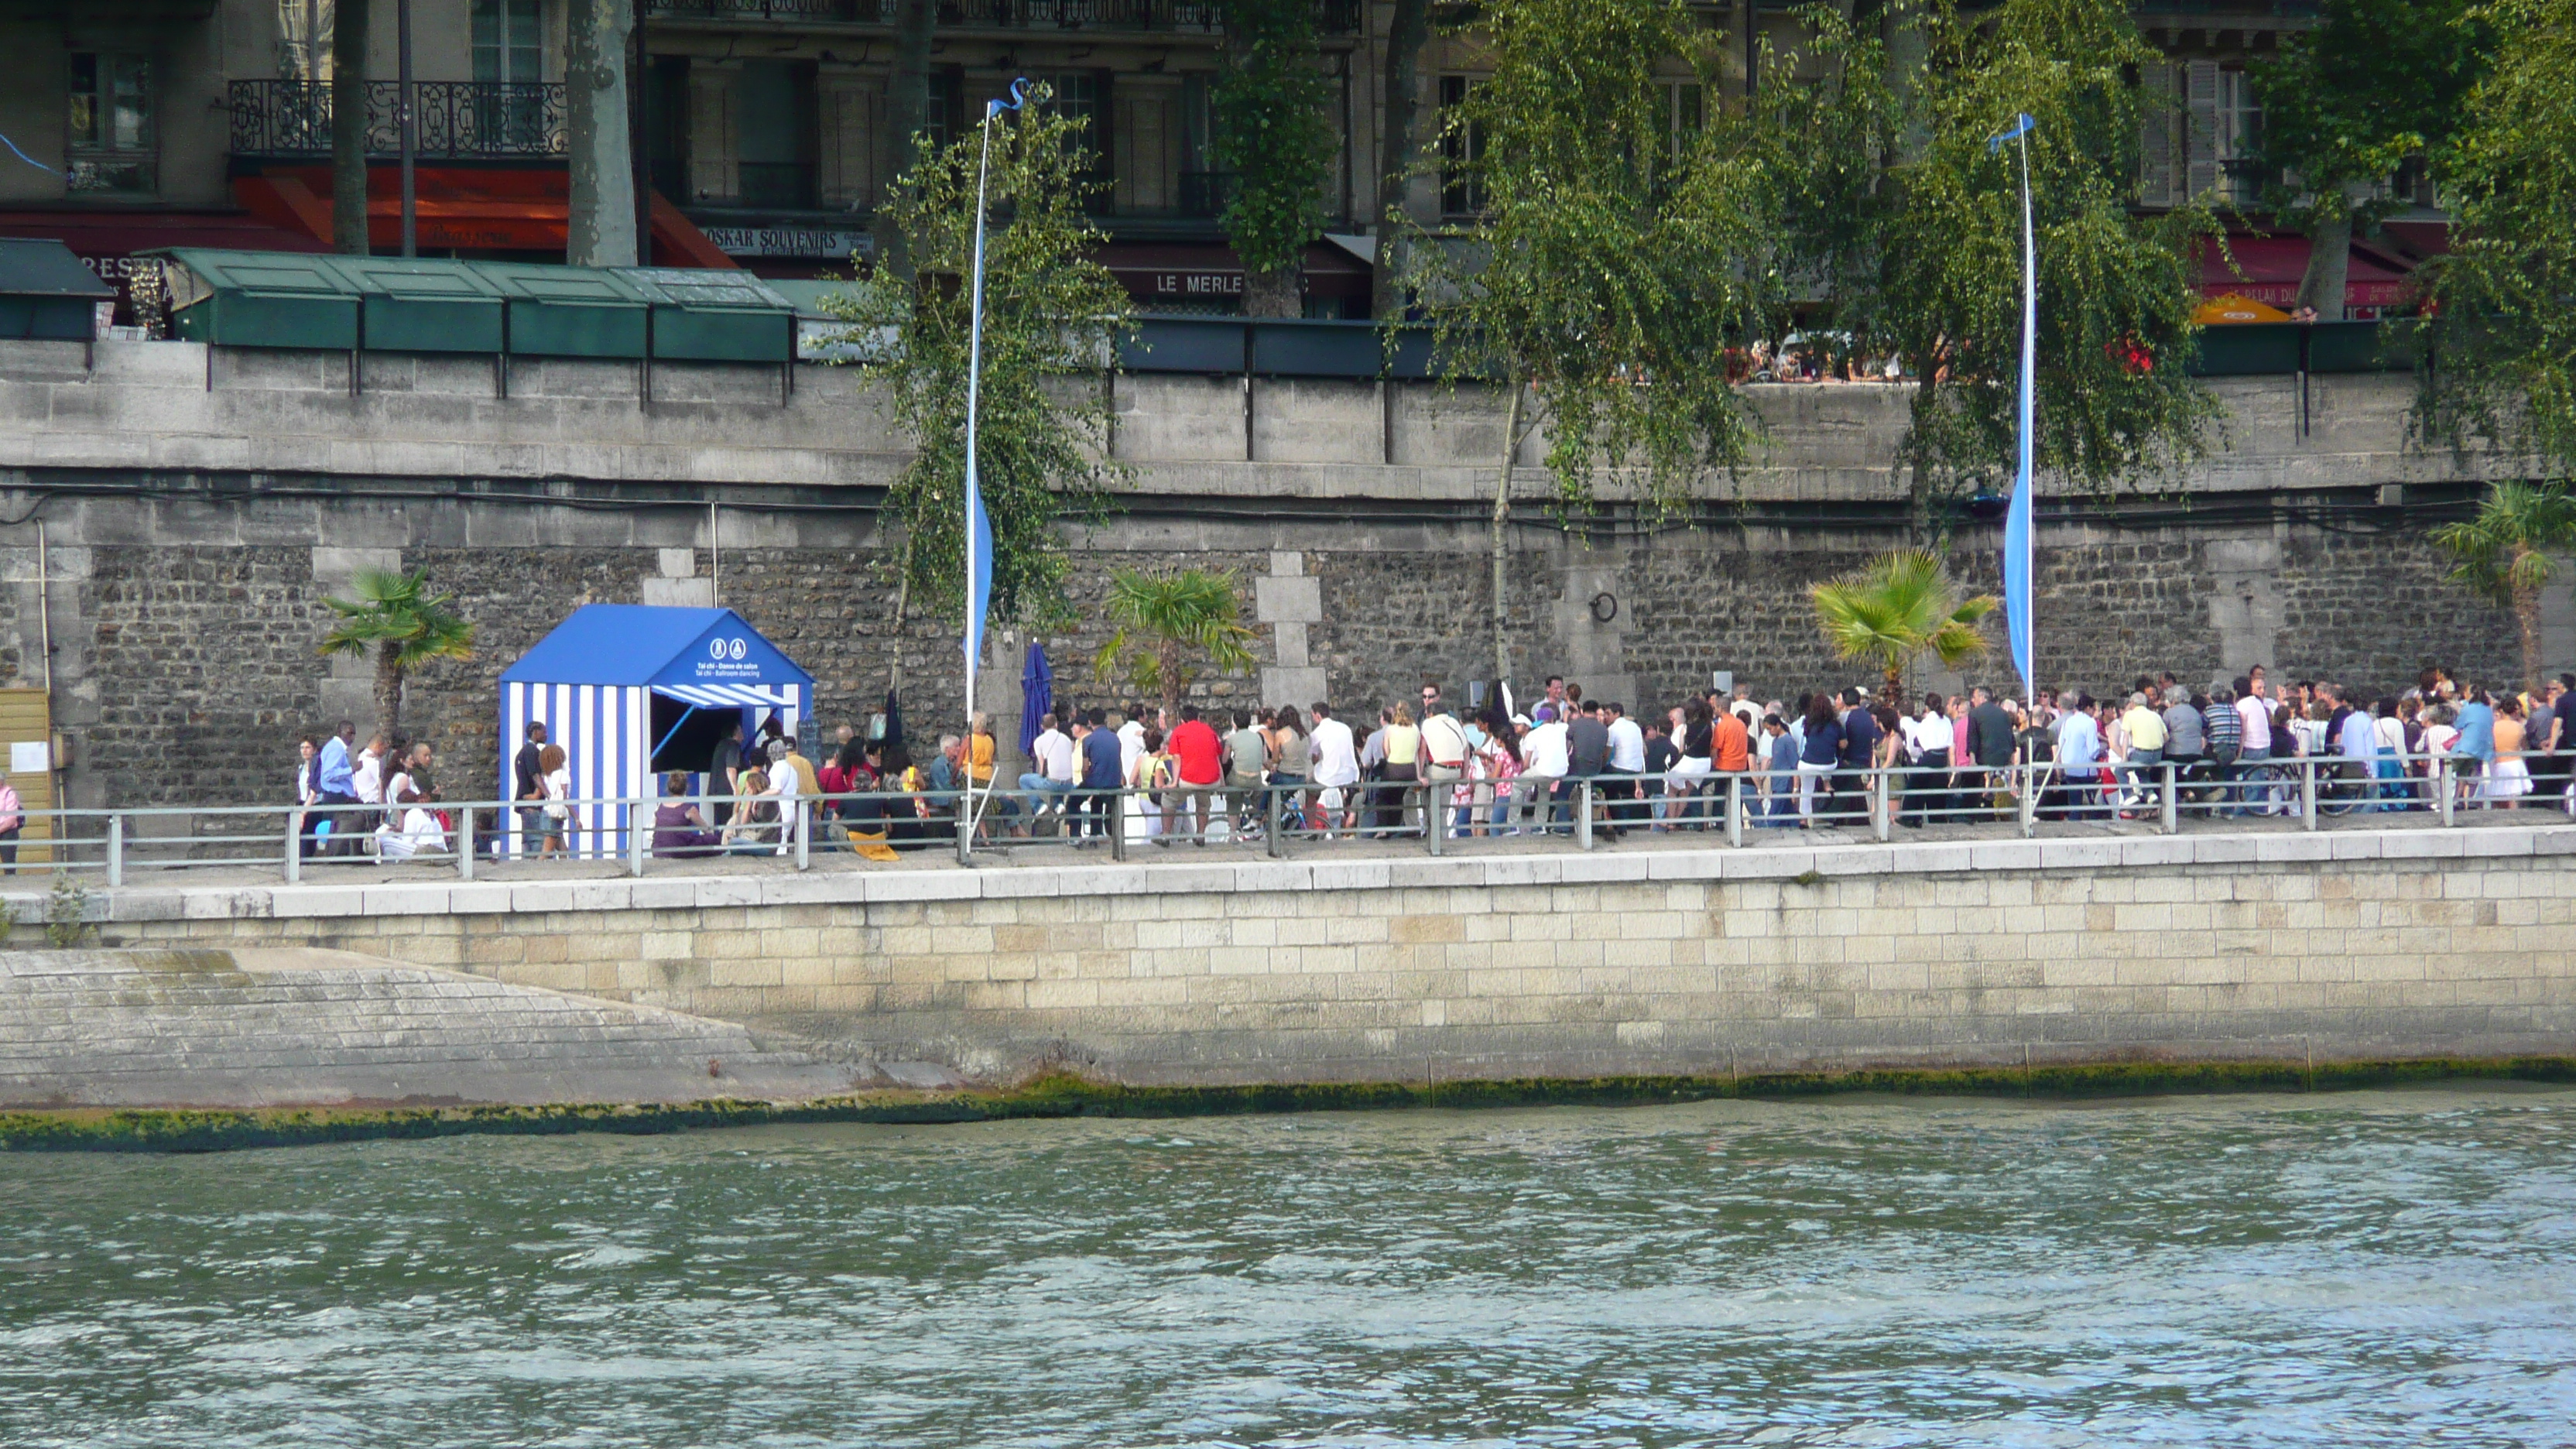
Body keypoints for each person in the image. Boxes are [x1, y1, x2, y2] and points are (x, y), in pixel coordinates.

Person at [1309, 702, 1360, 836]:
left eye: (1312, 716)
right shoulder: (1345, 728)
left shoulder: (1317, 733)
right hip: (1349, 775)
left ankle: (1310, 825)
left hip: (1327, 777)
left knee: (1308, 786)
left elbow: (1314, 758)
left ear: (1318, 716)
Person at [1516, 705, 1571, 834]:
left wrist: (1522, 774)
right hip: (1562, 770)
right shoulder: (1561, 729)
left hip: (1543, 769)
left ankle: (1513, 824)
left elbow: (1526, 762)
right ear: (1552, 719)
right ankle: (1539, 825)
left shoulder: (1534, 734)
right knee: (1544, 788)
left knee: (1517, 785)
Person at [1902, 694, 1952, 827]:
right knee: (1937, 791)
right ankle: (1938, 821)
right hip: (1942, 758)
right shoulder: (1946, 720)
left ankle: (1911, 818)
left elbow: (1918, 741)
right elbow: (1950, 742)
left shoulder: (1927, 722)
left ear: (1927, 707)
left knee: (1915, 786)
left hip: (1929, 756)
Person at [1076, 708, 1124, 847]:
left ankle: (1093, 836)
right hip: (1115, 783)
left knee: (1090, 804)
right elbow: (1118, 761)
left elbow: (1085, 768)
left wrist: (1086, 782)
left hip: (1097, 783)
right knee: (1112, 809)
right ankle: (1115, 837)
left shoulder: (1088, 740)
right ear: (1105, 720)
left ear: (1090, 722)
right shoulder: (1115, 738)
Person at [1564, 700, 1612, 837]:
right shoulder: (1604, 729)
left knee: (1563, 793)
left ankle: (1562, 827)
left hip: (1576, 767)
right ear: (1597, 711)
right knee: (1591, 791)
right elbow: (1604, 751)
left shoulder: (1574, 725)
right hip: (1595, 769)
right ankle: (1594, 823)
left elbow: (1567, 747)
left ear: (1582, 711)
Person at [651, 772, 721, 858]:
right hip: (679, 850)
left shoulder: (661, 806)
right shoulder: (689, 809)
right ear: (686, 787)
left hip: (658, 850)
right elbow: (706, 830)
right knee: (711, 839)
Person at [1796, 695, 1842, 825]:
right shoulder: (1836, 724)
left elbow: (1808, 737)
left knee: (1806, 790)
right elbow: (1843, 744)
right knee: (1831, 760)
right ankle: (1827, 783)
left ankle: (1804, 820)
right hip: (1828, 765)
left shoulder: (1808, 723)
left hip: (1807, 763)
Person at [512, 720, 550, 858]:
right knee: (536, 840)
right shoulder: (532, 751)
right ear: (535, 733)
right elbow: (535, 775)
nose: (546, 735)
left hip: (525, 802)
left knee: (529, 839)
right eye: (543, 731)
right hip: (532, 805)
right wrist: (547, 794)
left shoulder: (522, 753)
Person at [537, 743, 572, 858]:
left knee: (562, 849)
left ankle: (564, 871)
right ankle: (534, 873)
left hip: (547, 812)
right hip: (555, 816)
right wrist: (576, 817)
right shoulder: (563, 775)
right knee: (547, 850)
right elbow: (565, 798)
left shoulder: (547, 776)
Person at [0, 776, 20, 873]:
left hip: (8, 831)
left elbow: (12, 819)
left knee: (8, 861)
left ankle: (11, 885)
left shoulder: (9, 794)